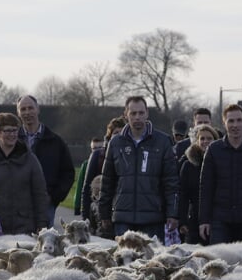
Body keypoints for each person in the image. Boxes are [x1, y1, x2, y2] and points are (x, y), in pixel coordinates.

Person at [99, 96, 179, 242]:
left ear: (147, 113)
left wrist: (172, 214)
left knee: (152, 264)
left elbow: (171, 181)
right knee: (124, 263)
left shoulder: (162, 141)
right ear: (126, 114)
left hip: (153, 218)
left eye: (141, 113)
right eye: (133, 113)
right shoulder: (115, 143)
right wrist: (104, 214)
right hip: (123, 217)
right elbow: (107, 181)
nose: (137, 117)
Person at [199, 104, 242, 244]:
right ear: (224, 123)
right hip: (219, 220)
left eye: (239, 120)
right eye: (231, 121)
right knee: (218, 262)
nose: (235, 125)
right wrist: (204, 220)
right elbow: (206, 187)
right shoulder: (214, 150)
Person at [0, 113, 49, 235]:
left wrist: (42, 224)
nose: (12, 134)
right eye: (7, 131)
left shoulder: (30, 160)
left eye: (15, 130)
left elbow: (40, 194)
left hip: (25, 228)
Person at [16, 95, 75, 226]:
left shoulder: (55, 142)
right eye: (23, 109)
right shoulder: (12, 142)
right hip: (18, 206)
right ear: (18, 113)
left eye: (30, 108)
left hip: (45, 205)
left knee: (45, 244)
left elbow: (68, 173)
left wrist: (53, 197)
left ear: (38, 109)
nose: (27, 112)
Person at [178, 124, 219, 245]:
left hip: (216, 217)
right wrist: (182, 221)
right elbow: (183, 194)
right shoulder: (188, 166)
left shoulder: (220, 164)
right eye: (202, 138)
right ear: (197, 141)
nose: (205, 141)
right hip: (194, 218)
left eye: (209, 138)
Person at [82, 117, 125, 226]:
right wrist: (85, 217)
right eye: (116, 133)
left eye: (122, 132)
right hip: (98, 210)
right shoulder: (98, 155)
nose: (119, 136)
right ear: (109, 136)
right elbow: (87, 187)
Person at [74, 137, 104, 217]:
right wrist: (78, 206)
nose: (96, 150)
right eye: (94, 148)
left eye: (99, 148)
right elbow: (81, 186)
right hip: (90, 202)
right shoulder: (86, 165)